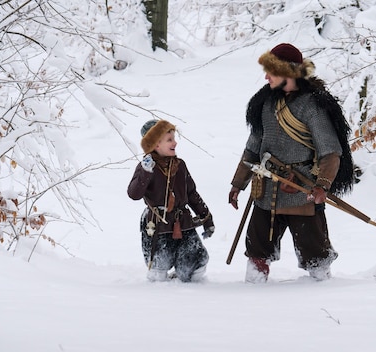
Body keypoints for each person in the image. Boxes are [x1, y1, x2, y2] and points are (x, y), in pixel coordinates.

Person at [228, 43, 354, 283]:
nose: (265, 77)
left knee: (316, 256)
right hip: (265, 192)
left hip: (302, 191)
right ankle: (251, 296)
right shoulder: (264, 104)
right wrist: (238, 184)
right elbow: (252, 148)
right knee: (257, 252)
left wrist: (322, 186)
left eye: (271, 71)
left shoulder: (313, 105)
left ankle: (323, 297)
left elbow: (330, 152)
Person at [128, 119, 215, 282]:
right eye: (169, 140)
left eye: (174, 138)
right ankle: (162, 295)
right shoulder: (146, 167)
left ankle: (191, 287)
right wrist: (145, 172)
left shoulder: (180, 165)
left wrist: (206, 218)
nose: (175, 143)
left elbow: (192, 193)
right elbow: (134, 194)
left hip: (183, 223)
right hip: (157, 226)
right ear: (155, 144)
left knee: (196, 261)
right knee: (159, 270)